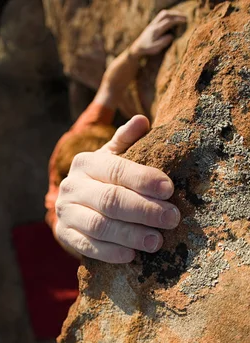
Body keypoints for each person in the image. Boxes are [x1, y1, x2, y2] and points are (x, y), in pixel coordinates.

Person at [46, 10, 187, 264]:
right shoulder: (57, 200)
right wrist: (68, 232)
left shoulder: (72, 141)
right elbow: (65, 229)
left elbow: (110, 87)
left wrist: (136, 51)